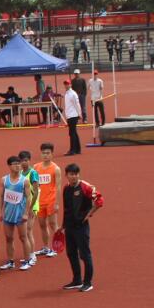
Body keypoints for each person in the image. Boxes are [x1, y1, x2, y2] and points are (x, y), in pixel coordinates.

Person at [60, 163, 103, 292]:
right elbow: (67, 209)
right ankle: (77, 280)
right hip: (69, 227)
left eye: (76, 174)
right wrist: (62, 226)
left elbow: (99, 201)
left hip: (81, 227)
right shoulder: (66, 188)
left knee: (84, 255)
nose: (74, 176)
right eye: (71, 174)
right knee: (71, 253)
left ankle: (88, 282)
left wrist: (89, 214)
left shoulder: (86, 187)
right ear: (66, 175)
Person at [0, 156, 34, 272]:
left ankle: (27, 260)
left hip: (20, 214)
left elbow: (28, 197)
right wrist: (1, 212)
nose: (18, 166)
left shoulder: (24, 181)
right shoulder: (4, 180)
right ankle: (10, 261)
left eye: (19, 163)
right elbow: (1, 196)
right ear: (9, 166)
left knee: (23, 237)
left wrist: (26, 213)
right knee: (9, 238)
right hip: (8, 214)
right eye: (15, 164)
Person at [34, 142, 63, 258]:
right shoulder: (36, 167)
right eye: (43, 153)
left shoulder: (56, 169)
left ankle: (57, 247)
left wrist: (57, 203)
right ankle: (46, 247)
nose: (45, 155)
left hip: (51, 200)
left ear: (52, 154)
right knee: (42, 225)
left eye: (48, 153)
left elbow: (58, 186)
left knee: (53, 224)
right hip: (40, 201)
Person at [18, 151, 41, 267]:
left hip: (32, 206)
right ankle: (28, 254)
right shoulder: (20, 173)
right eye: (22, 161)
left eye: (26, 160)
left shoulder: (33, 173)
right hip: (23, 206)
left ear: (29, 160)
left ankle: (32, 256)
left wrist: (31, 207)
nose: (24, 163)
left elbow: (36, 192)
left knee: (28, 231)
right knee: (24, 232)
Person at [63, 80, 81, 155]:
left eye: (67, 84)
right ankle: (77, 149)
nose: (66, 85)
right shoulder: (66, 94)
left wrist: (79, 114)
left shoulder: (73, 94)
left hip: (73, 115)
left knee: (72, 133)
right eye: (65, 84)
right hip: (70, 115)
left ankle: (72, 150)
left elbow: (77, 104)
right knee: (74, 133)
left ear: (70, 85)